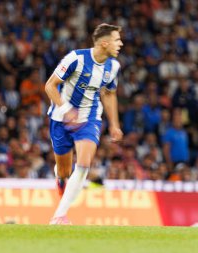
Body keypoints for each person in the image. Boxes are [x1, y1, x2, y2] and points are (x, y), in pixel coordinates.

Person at [44, 23, 123, 225]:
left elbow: (108, 93)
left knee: (84, 163)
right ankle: (60, 178)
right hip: (61, 118)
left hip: (89, 118)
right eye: (117, 40)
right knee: (64, 171)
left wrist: (114, 124)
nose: (120, 44)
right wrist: (65, 109)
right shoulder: (76, 58)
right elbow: (50, 86)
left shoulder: (113, 66)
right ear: (104, 43)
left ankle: (59, 216)